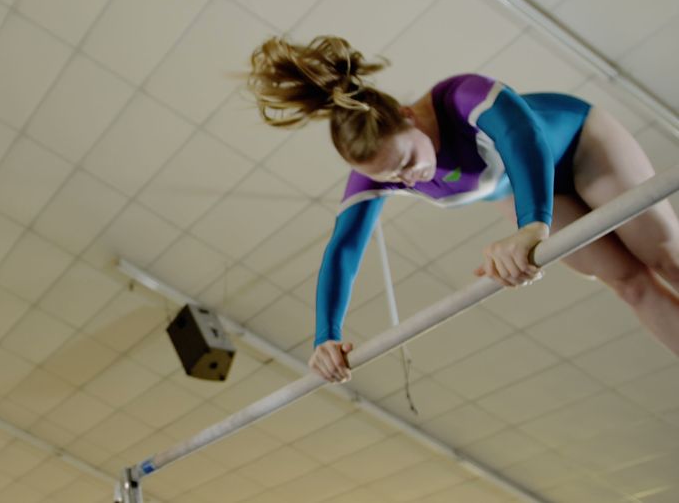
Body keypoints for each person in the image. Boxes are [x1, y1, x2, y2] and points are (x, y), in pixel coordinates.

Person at [247, 35, 679, 383]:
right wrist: (327, 336)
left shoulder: (460, 96)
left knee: (664, 255)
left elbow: (522, 137)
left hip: (582, 146)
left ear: (407, 116)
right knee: (629, 283)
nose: (405, 180)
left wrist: (531, 226)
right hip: (526, 195)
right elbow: (343, 250)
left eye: (404, 163)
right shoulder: (379, 173)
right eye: (391, 179)